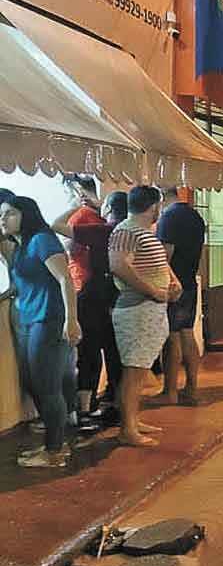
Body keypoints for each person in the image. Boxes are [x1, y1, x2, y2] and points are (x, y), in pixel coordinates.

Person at [1, 196, 81, 467]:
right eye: (2, 214)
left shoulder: (42, 240)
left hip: (49, 320)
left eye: (10, 213)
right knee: (34, 383)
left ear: (27, 214)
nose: (3, 219)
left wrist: (71, 320)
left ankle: (55, 451)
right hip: (29, 319)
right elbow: (25, 283)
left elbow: (64, 279)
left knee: (47, 387)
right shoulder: (21, 246)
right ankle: (55, 443)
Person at [109, 186, 180, 447]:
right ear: (154, 206)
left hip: (151, 308)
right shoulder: (126, 231)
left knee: (139, 370)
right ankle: (127, 429)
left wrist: (172, 283)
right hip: (137, 308)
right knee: (134, 371)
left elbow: (159, 263)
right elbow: (118, 265)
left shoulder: (142, 232)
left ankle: (132, 420)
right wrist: (154, 291)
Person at [51, 180, 122, 421]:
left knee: (89, 352)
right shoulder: (126, 229)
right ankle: (115, 403)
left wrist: (77, 206)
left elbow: (69, 247)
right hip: (115, 298)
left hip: (89, 292)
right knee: (113, 352)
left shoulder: (92, 223)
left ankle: (84, 408)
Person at [157, 187, 207, 406]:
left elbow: (165, 255)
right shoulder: (195, 216)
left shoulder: (168, 218)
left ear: (161, 196)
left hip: (173, 284)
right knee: (187, 333)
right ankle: (192, 387)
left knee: (172, 336)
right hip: (189, 281)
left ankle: (170, 391)